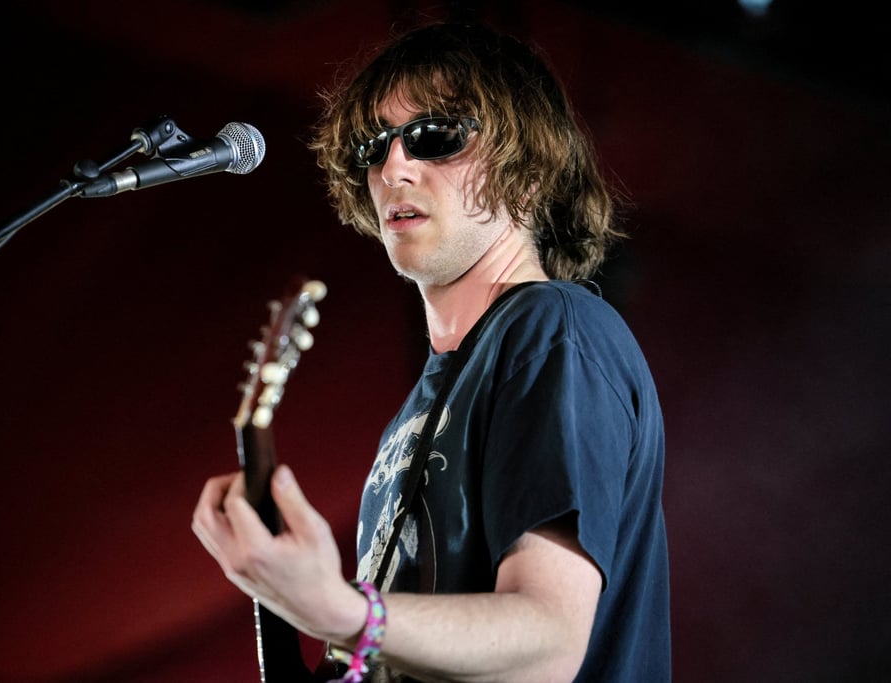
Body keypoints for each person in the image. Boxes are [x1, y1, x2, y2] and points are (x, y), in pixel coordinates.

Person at [192, 19, 670, 683]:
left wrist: (340, 608)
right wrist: (275, 590)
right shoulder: (420, 411)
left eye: (435, 136)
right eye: (373, 146)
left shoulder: (554, 329)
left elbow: (549, 643)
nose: (393, 167)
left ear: (526, 170)